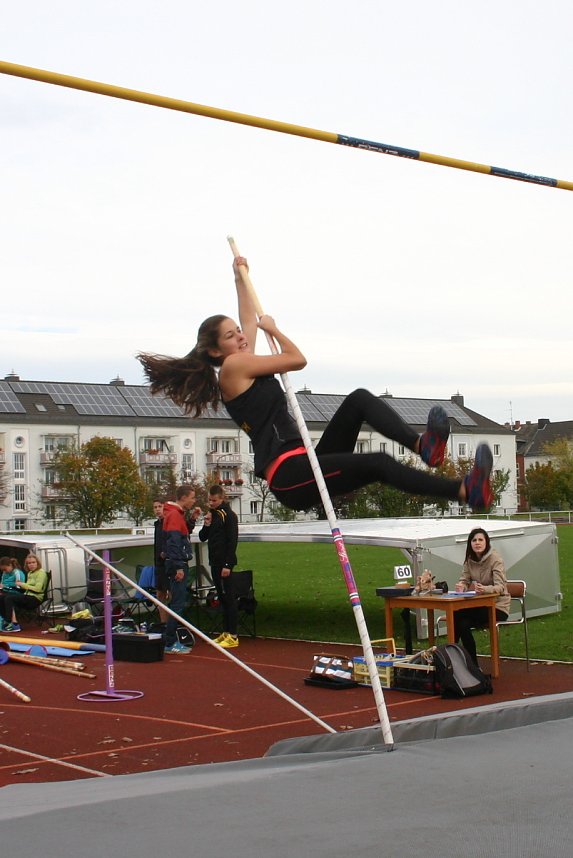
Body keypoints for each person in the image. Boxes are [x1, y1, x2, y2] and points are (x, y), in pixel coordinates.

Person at [138, 256, 494, 514]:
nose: (242, 337)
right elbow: (297, 359)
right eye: (231, 336)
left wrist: (239, 279)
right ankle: (465, 491)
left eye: (238, 332)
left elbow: (248, 321)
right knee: (379, 463)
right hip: (288, 475)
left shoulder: (240, 362)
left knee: (358, 400)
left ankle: (424, 446)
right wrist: (274, 330)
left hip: (306, 458)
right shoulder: (233, 367)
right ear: (217, 351)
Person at [453, 527, 510, 665]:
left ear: (486, 542)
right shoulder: (469, 560)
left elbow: (500, 587)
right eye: (474, 540)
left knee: (458, 615)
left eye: (480, 540)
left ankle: (451, 655)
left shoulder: (495, 559)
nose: (477, 543)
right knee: (461, 622)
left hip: (498, 606)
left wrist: (485, 589)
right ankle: (470, 664)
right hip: (479, 605)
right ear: (470, 544)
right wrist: (462, 586)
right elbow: (464, 579)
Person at [198, 485, 240, 648]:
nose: (211, 503)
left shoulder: (229, 516)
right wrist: (206, 524)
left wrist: (228, 564)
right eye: (209, 500)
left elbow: (232, 540)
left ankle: (233, 635)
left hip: (225, 563)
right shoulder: (213, 515)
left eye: (214, 500)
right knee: (221, 598)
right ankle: (226, 631)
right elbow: (202, 537)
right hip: (214, 561)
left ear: (222, 499)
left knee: (229, 598)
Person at [162, 485, 201, 654]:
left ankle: (170, 640)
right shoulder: (174, 515)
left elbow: (182, 535)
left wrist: (192, 520)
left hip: (177, 562)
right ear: (184, 498)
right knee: (177, 604)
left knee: (177, 602)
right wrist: (178, 566)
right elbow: (173, 542)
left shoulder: (177, 515)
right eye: (192, 497)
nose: (194, 501)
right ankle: (169, 642)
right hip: (177, 564)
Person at [0, 554, 48, 633]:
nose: (31, 565)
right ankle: (9, 621)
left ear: (37, 563)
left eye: (33, 562)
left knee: (9, 598)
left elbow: (38, 589)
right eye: (29, 563)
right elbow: (26, 587)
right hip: (27, 595)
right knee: (2, 597)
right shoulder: (30, 573)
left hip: (35, 598)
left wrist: (22, 584)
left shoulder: (41, 573)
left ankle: (10, 623)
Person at [152, 497, 169, 624]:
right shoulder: (157, 524)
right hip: (159, 565)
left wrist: (165, 552)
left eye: (160, 507)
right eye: (155, 507)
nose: (157, 509)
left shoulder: (168, 523)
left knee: (171, 595)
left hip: (168, 564)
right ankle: (164, 623)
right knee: (160, 595)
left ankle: (173, 624)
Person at [0, 557, 26, 632]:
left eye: (5, 569)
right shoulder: (4, 573)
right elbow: (2, 583)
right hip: (6, 591)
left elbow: (19, 586)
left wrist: (6, 586)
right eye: (2, 570)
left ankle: (9, 621)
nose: (4, 571)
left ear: (10, 565)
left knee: (7, 598)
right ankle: (3, 619)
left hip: (16, 592)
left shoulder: (17, 572)